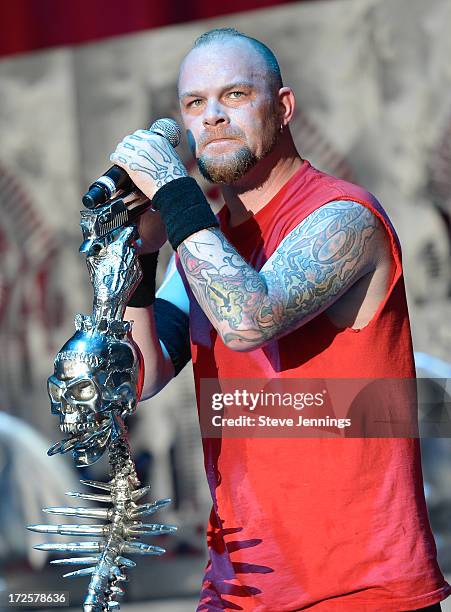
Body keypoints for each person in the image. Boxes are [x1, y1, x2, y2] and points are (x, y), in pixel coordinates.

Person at [109, 28, 450, 612]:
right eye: (195, 104)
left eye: (235, 95)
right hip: (239, 589)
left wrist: (173, 191)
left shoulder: (343, 214)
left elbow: (248, 317)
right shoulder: (207, 243)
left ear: (284, 107)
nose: (212, 117)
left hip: (359, 590)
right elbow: (143, 375)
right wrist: (140, 255)